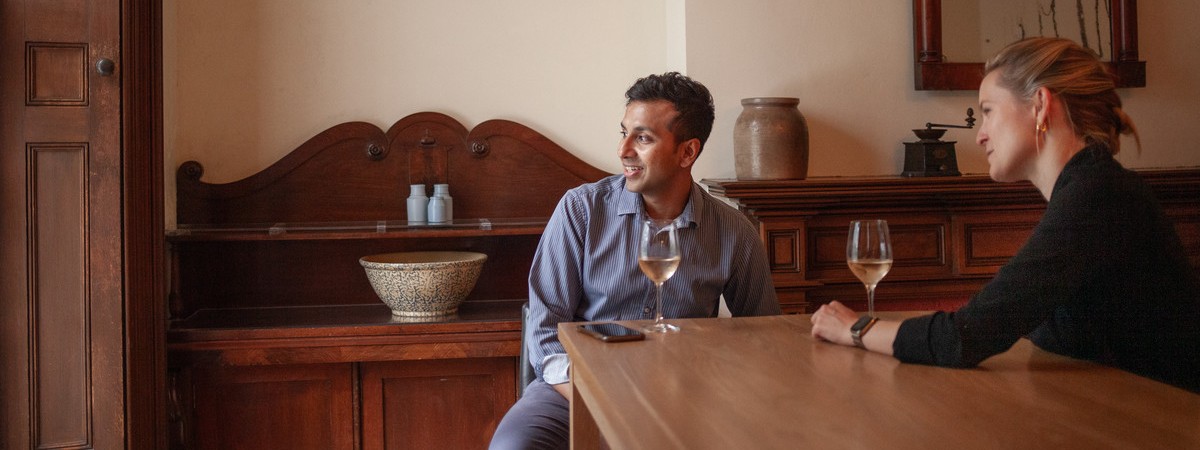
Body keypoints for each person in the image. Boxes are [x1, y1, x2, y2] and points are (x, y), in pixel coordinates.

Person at [810, 37, 1200, 393]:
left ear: (1040, 105)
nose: (980, 134)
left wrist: (855, 329)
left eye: (988, 111)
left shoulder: (1099, 196)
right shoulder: (1089, 189)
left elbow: (965, 338)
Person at [489, 72, 781, 449]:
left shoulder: (735, 232)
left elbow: (764, 336)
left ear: (687, 152)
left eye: (642, 137)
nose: (624, 150)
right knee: (514, 446)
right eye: (623, 132)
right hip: (573, 390)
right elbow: (545, 333)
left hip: (686, 396)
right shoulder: (581, 210)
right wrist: (605, 400)